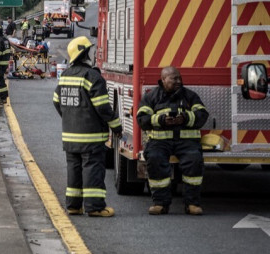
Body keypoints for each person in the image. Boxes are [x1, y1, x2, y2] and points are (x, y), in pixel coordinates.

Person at [53, 36, 121, 217]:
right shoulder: (93, 77)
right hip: (90, 136)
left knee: (73, 170)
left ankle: (74, 206)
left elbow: (56, 101)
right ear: (85, 53)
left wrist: (69, 117)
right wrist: (116, 126)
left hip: (69, 135)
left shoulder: (66, 76)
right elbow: (103, 108)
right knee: (92, 169)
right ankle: (95, 207)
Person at [136, 66, 209, 215]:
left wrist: (186, 118)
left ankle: (192, 204)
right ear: (163, 80)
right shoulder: (151, 97)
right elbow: (142, 119)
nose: (178, 81)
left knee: (194, 161)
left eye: (179, 78)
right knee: (155, 160)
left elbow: (202, 115)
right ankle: (160, 204)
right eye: (173, 78)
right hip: (159, 142)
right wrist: (161, 120)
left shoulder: (190, 96)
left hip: (186, 142)